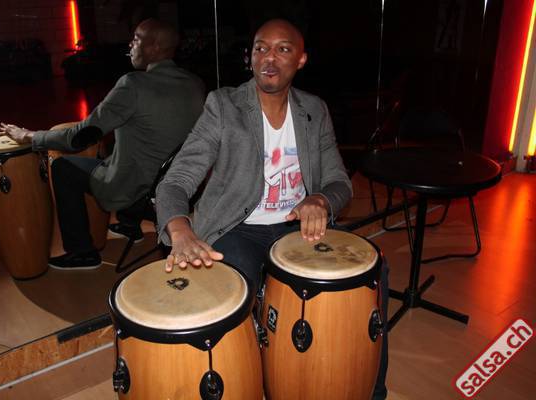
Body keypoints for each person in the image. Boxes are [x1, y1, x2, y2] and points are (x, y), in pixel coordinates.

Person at [155, 19, 388, 399]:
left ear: (301, 60)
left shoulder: (314, 110)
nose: (269, 58)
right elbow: (176, 181)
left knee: (371, 271)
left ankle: (371, 390)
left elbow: (338, 182)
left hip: (297, 227)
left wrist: (320, 200)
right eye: (261, 48)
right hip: (237, 226)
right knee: (236, 281)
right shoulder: (224, 106)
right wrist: (180, 231)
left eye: (283, 49)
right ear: (250, 57)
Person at [0, 18, 205, 270]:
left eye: (136, 39)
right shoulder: (195, 83)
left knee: (64, 168)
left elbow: (79, 138)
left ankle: (82, 252)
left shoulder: (133, 85)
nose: (130, 45)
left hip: (143, 194)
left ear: (154, 47)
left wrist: (30, 136)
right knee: (123, 153)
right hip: (181, 192)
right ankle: (129, 224)